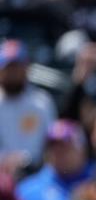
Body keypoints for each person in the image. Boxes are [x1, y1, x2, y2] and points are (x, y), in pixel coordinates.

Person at [0, 40, 57, 173]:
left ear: (26, 68)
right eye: (9, 68)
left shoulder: (42, 101)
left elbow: (51, 140)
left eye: (17, 67)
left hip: (37, 172)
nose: (13, 73)